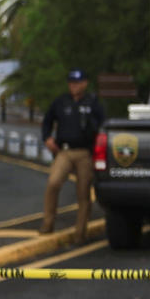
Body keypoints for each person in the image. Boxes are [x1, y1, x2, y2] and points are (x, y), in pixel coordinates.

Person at [40, 69, 105, 243]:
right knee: (53, 183)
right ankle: (48, 224)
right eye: (71, 83)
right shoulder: (61, 102)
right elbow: (47, 120)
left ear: (85, 83)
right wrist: (47, 138)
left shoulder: (92, 103)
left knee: (83, 193)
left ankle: (80, 233)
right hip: (65, 151)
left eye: (77, 82)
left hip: (85, 152)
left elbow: (103, 125)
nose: (74, 86)